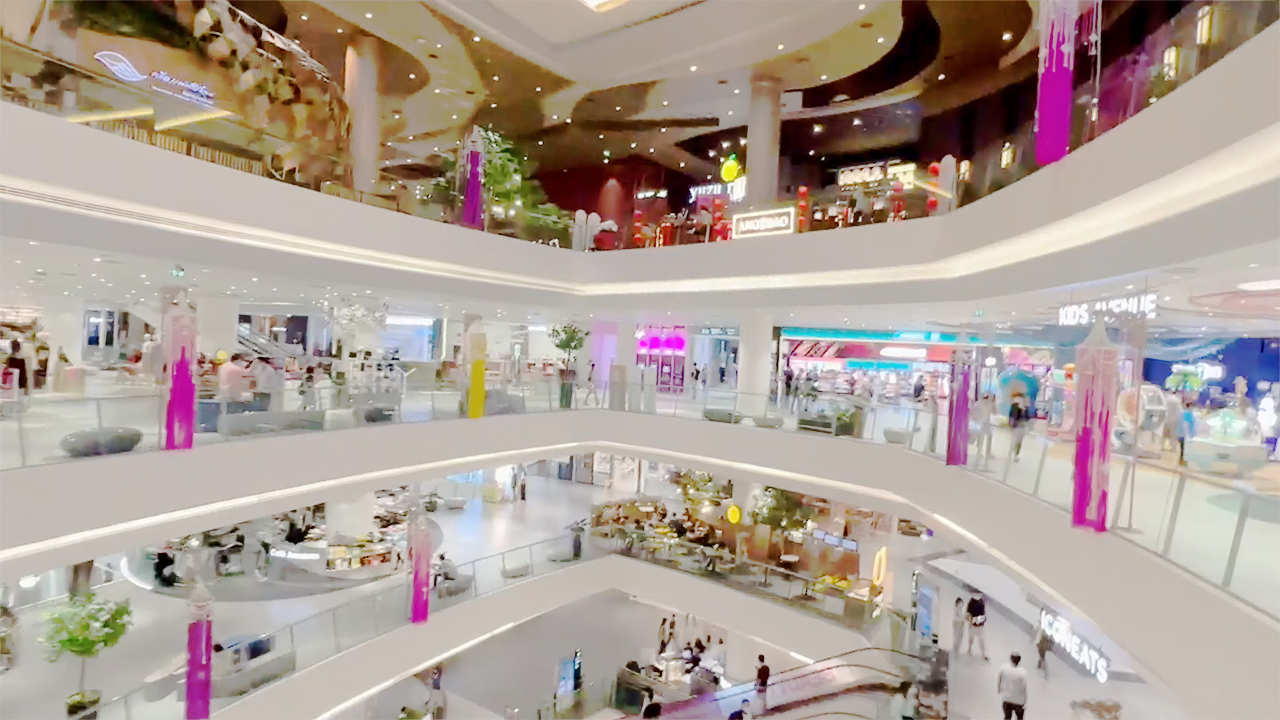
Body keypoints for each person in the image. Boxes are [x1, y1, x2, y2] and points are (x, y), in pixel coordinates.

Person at [998, 652, 1028, 720]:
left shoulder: (1004, 668)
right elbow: (1024, 687)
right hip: (1018, 700)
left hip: (1007, 698)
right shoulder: (1023, 672)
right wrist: (1024, 701)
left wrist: (999, 690)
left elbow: (1000, 680)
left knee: (1007, 717)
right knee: (1020, 717)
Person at [1008, 392, 1031, 459]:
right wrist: (1011, 424)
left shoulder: (1025, 408)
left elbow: (1027, 418)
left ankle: (1016, 454)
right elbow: (1012, 415)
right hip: (1016, 426)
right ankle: (1013, 453)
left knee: (1019, 441)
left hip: (1022, 426)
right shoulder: (1014, 406)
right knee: (1015, 439)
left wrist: (1023, 410)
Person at [966, 593, 988, 660]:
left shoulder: (980, 602)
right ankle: (970, 650)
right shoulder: (973, 603)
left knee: (980, 639)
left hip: (978, 624)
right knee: (972, 638)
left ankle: (982, 653)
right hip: (974, 624)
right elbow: (968, 614)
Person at [1177, 400, 1195, 466]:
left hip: (1181, 433)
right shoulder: (1190, 414)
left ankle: (1181, 460)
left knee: (1182, 448)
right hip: (1186, 434)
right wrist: (1192, 434)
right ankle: (1183, 460)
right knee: (1185, 448)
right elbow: (1191, 425)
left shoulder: (1182, 413)